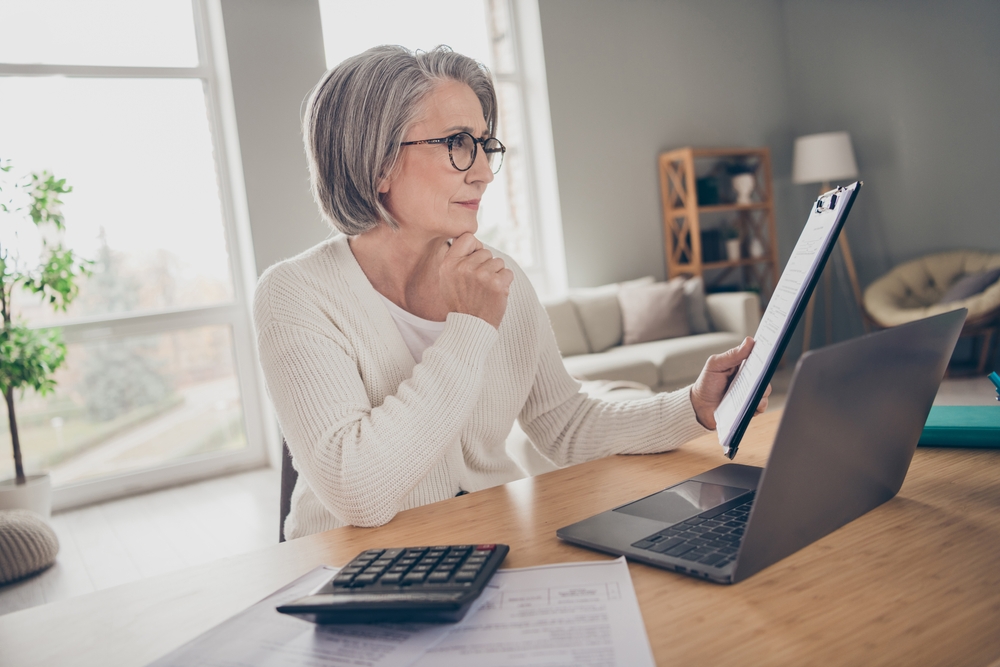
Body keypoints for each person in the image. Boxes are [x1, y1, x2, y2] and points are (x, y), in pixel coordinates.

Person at [254, 45, 769, 540]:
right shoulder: (295, 295)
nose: (482, 171)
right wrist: (470, 329)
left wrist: (694, 406)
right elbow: (359, 493)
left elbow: (564, 424)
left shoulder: (503, 278)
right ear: (378, 162)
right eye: (457, 143)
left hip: (490, 550)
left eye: (485, 145)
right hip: (350, 574)